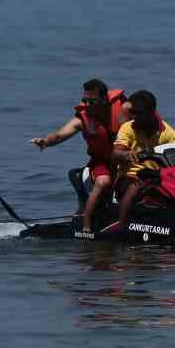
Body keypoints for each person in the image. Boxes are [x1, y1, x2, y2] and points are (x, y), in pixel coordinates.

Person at [29, 78, 128, 234]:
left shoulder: (123, 110)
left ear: (104, 99)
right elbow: (60, 135)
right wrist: (45, 141)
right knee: (103, 181)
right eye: (84, 100)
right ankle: (85, 224)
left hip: (125, 160)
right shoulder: (82, 118)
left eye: (92, 101)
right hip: (101, 162)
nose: (87, 105)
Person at [109, 90, 175, 232]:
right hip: (130, 177)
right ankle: (122, 225)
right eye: (133, 112)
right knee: (135, 186)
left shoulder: (167, 132)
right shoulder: (128, 128)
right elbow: (115, 153)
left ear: (152, 111)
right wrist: (125, 154)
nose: (134, 116)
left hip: (158, 178)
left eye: (139, 113)